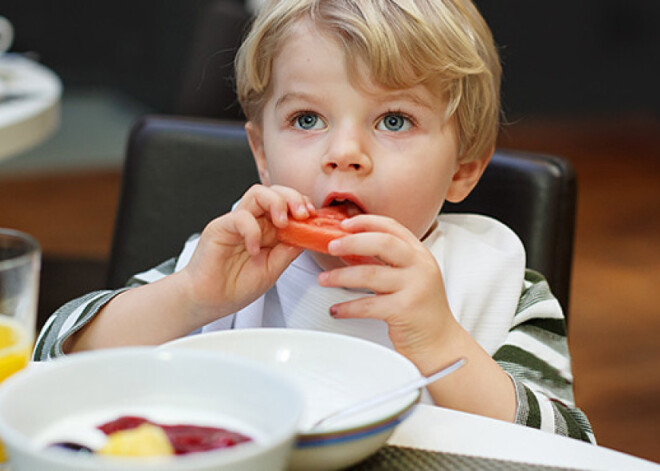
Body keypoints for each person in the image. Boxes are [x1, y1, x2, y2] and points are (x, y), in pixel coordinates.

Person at [34, 0, 594, 443]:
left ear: (463, 169)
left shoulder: (502, 290)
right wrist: (187, 299)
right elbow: (53, 359)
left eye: (394, 120)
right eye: (307, 118)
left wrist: (443, 342)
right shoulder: (229, 268)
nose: (344, 152)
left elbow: (567, 449)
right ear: (261, 152)